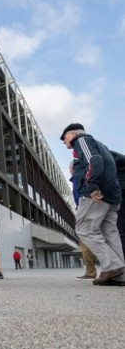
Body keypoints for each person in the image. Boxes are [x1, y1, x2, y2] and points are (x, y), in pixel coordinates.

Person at [62, 123, 124, 286]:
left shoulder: (82, 140)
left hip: (97, 194)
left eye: (65, 137)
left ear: (73, 133)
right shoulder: (101, 145)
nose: (64, 142)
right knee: (109, 232)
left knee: (84, 228)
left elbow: (94, 161)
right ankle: (120, 275)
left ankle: (112, 266)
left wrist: (92, 186)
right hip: (112, 195)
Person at [69, 159, 98, 280]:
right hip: (92, 209)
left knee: (84, 241)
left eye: (69, 167)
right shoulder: (84, 177)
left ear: (73, 168)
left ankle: (90, 271)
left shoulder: (77, 179)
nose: (69, 170)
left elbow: (79, 197)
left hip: (84, 210)